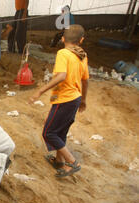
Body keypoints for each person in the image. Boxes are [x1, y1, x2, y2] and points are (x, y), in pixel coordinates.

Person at [29, 25, 89, 178]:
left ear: (62, 39)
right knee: (60, 130)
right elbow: (85, 80)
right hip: (75, 98)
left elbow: (61, 76)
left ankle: (72, 162)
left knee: (48, 132)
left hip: (65, 99)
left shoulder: (63, 53)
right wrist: (83, 100)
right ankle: (59, 161)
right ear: (81, 40)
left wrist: (40, 91)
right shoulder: (82, 55)